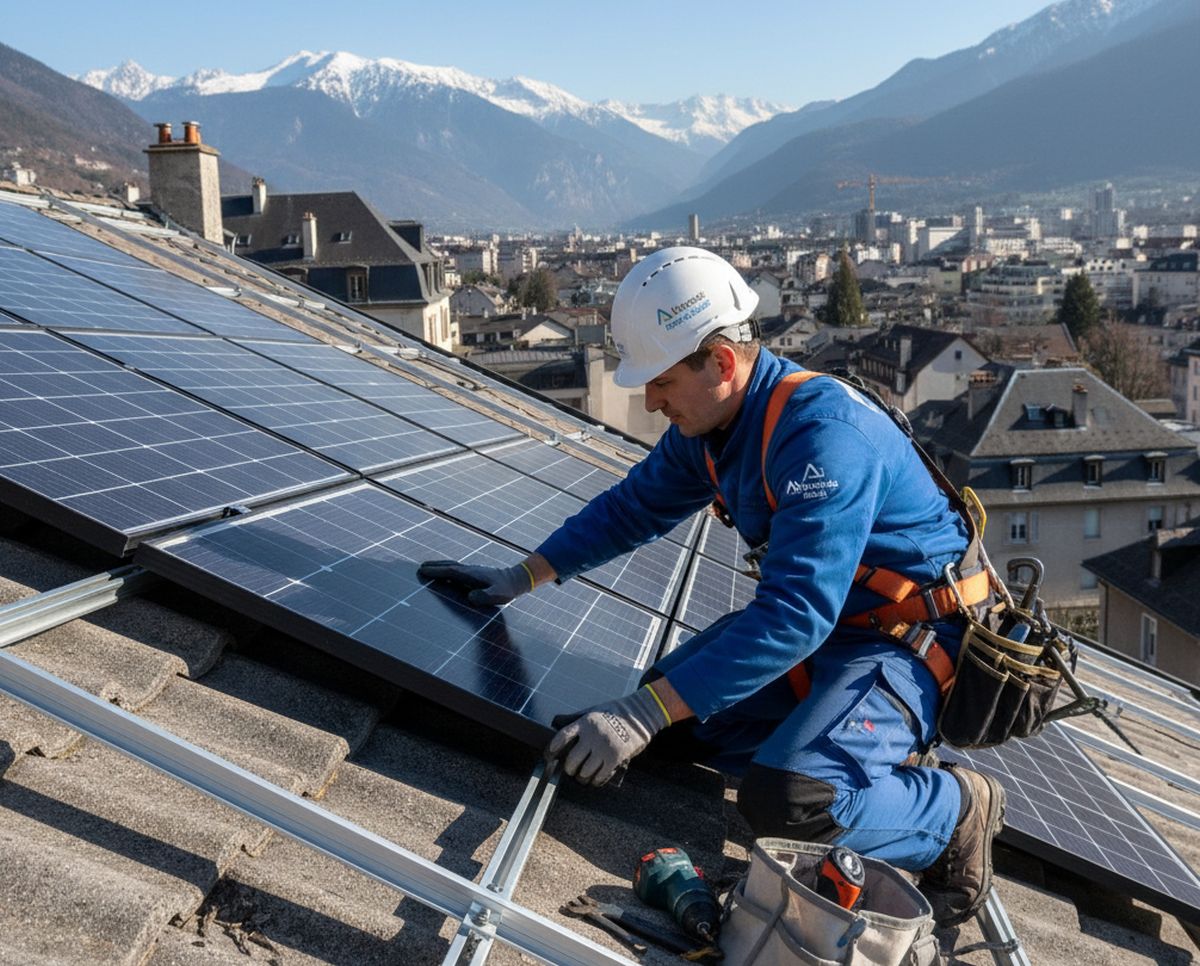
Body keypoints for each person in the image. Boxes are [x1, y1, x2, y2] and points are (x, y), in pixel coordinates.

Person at [419, 246, 1004, 927]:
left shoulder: (821, 439)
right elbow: (632, 508)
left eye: (661, 382)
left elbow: (795, 615)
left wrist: (639, 714)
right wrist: (521, 578)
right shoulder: (719, 424)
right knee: (673, 722)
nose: (650, 399)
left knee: (789, 801)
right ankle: (832, 739)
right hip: (836, 634)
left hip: (907, 645)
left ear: (721, 363)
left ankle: (954, 810)